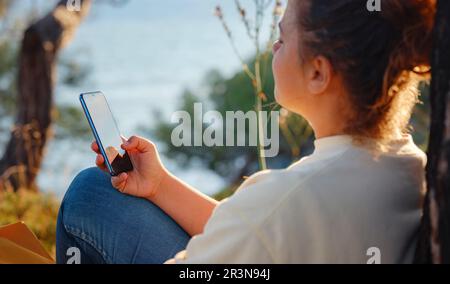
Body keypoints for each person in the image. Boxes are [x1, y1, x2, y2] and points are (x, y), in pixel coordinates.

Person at [56, 0, 436, 264]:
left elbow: (261, 227)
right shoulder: (413, 166)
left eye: (283, 38)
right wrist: (161, 187)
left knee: (89, 196)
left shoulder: (286, 198)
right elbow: (261, 232)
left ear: (318, 72)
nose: (274, 45)